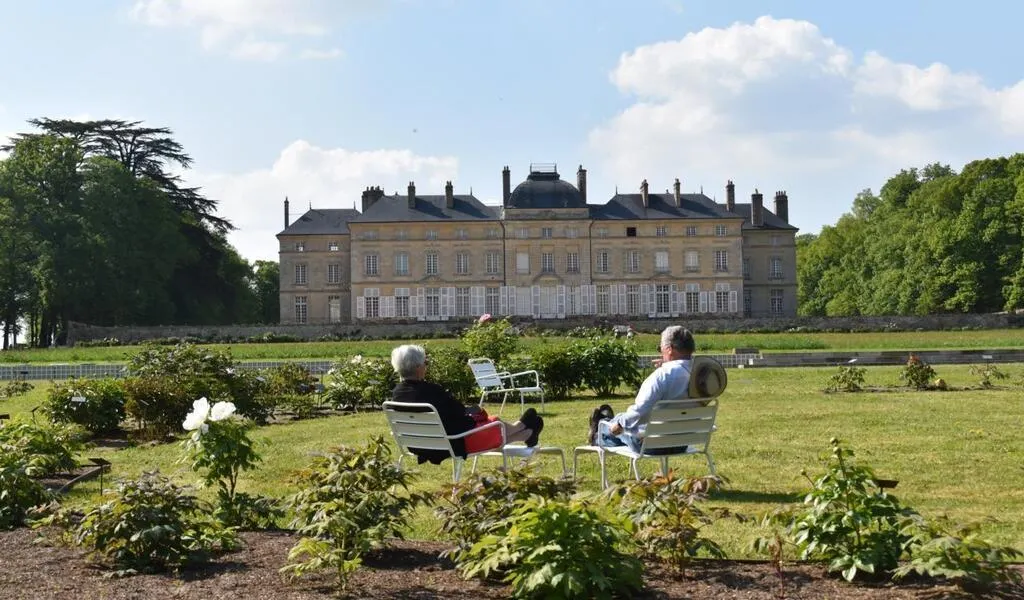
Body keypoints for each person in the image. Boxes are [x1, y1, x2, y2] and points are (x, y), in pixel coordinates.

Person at [389, 344, 543, 465]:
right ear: (418, 368)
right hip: (452, 445)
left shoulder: (396, 394)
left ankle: (526, 432)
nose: (426, 366)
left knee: (489, 424)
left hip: (417, 445)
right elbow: (459, 411)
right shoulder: (432, 391)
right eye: (425, 363)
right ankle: (522, 428)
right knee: (495, 423)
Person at [590, 325, 695, 453]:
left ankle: (599, 432)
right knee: (622, 422)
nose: (660, 353)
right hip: (682, 443)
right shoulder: (702, 374)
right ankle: (607, 423)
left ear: (669, 349)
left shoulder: (662, 376)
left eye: (660, 348)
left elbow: (640, 413)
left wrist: (620, 424)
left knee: (614, 427)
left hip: (652, 444)